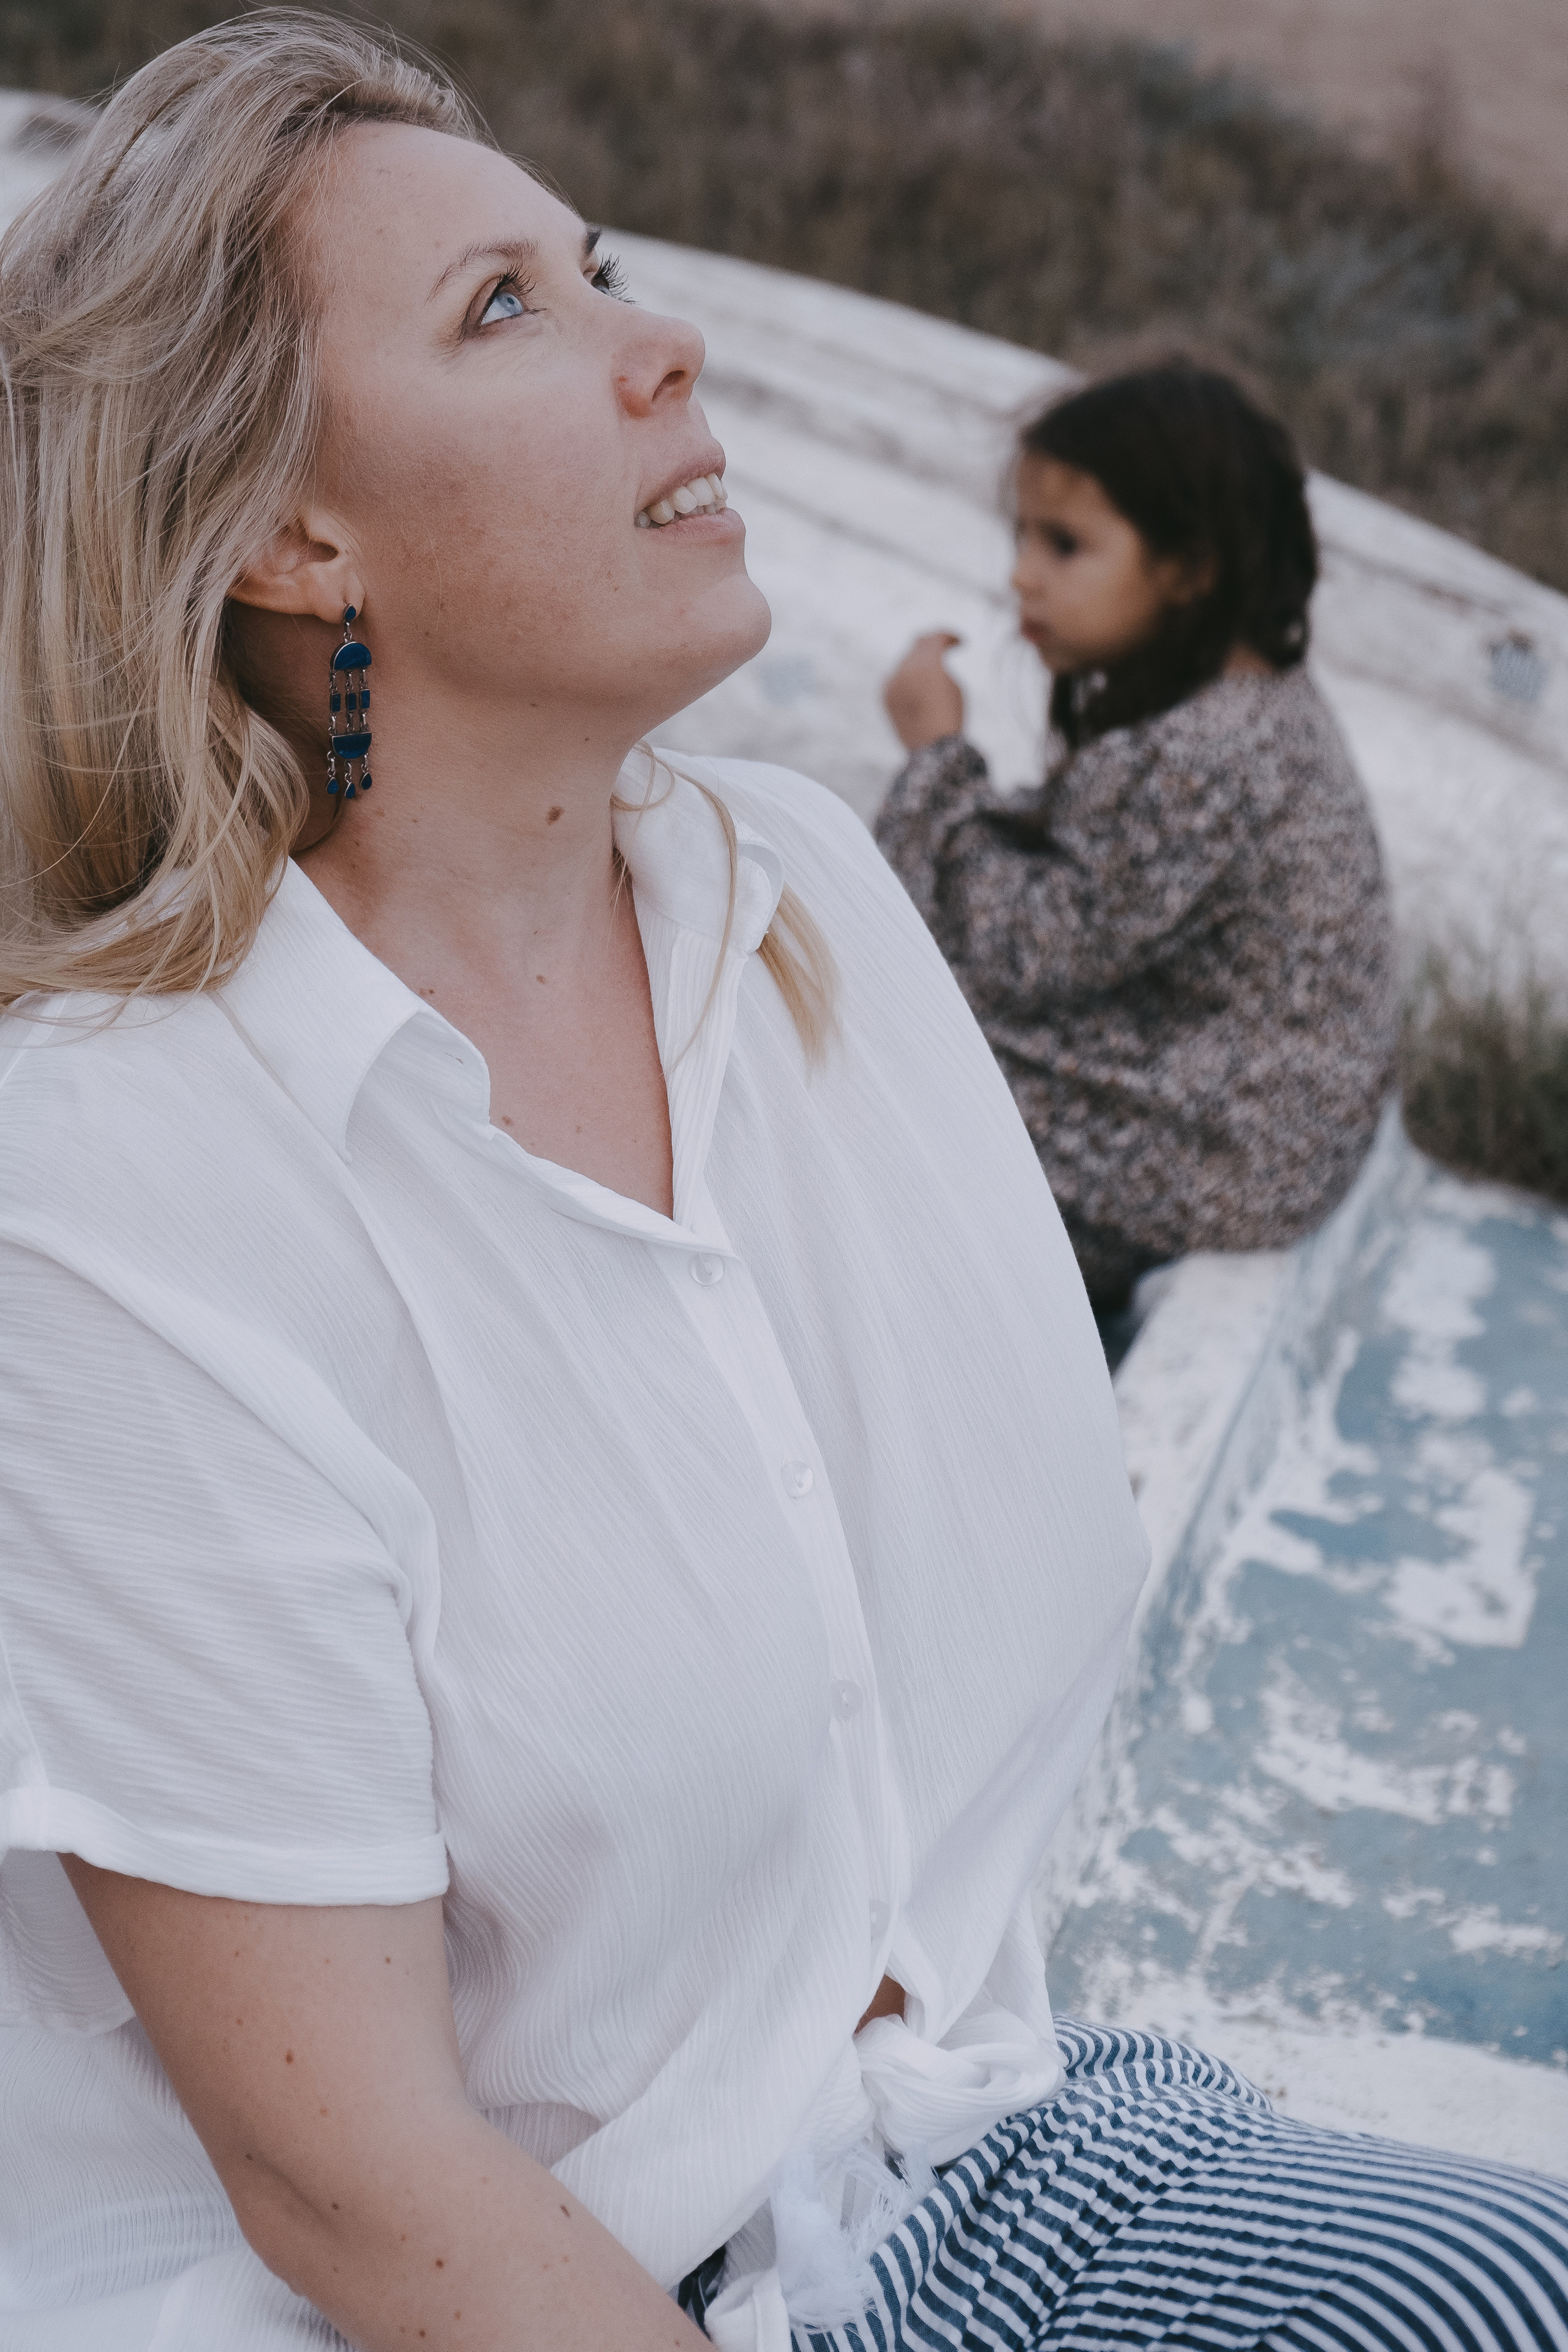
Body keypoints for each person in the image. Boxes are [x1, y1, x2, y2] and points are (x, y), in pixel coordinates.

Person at [0, 21, 1561, 2352]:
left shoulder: (803, 896)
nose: (670, 342)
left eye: (601, 264)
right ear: (283, 532)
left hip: (989, 2143)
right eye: (506, 310)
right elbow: (360, 2189)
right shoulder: (116, 1186)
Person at [876, 364, 1398, 1319]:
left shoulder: (1203, 755)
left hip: (1231, 1152)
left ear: (1189, 570)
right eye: (1022, 537)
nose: (1022, 574)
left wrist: (936, 759)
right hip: (1255, 1112)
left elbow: (1021, 951)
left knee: (883, 1044)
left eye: (1065, 545)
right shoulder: (1243, 705)